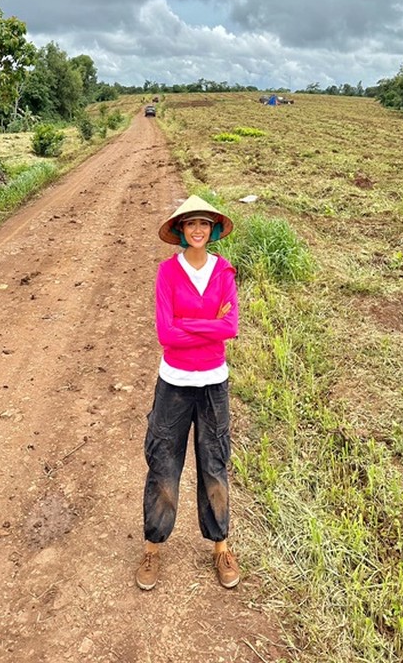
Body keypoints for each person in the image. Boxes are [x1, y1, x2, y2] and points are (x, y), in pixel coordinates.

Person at [136, 194, 240, 591]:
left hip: (213, 382)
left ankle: (220, 547)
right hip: (174, 383)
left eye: (203, 223)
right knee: (163, 464)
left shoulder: (224, 272)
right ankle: (152, 547)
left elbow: (229, 328)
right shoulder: (167, 272)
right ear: (180, 230)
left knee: (214, 463)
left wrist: (187, 322)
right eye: (189, 223)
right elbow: (165, 334)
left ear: (212, 230)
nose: (197, 230)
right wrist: (205, 322)